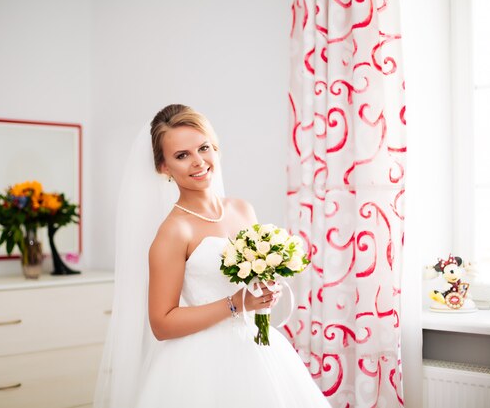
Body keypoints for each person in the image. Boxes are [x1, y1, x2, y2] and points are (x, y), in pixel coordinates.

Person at [94, 104, 331, 408]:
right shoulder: (174, 231)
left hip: (257, 349)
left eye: (203, 148)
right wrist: (237, 303)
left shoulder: (242, 209)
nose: (198, 162)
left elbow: (253, 281)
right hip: (199, 364)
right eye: (182, 155)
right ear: (163, 167)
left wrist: (264, 292)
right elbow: (162, 324)